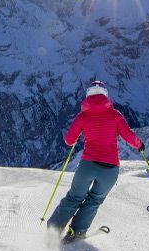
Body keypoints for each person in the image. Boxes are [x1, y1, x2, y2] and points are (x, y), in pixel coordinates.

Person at [47, 81, 144, 242]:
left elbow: (69, 141)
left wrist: (79, 133)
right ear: (106, 95)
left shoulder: (83, 116)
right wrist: (140, 145)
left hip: (88, 165)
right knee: (94, 200)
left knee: (74, 197)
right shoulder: (115, 115)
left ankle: (53, 229)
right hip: (110, 169)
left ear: (88, 95)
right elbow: (128, 136)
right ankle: (77, 232)